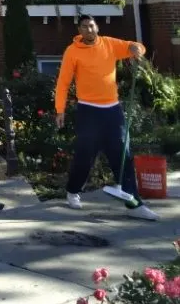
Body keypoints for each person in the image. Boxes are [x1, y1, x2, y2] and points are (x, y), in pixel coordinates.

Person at [54, 14, 158, 221]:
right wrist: (60, 110)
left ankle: (134, 203)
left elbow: (134, 46)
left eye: (91, 26)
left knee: (123, 154)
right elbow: (63, 82)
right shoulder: (72, 51)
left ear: (97, 27)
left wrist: (137, 48)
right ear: (79, 30)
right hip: (88, 110)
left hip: (112, 110)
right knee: (85, 154)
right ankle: (73, 191)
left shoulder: (110, 44)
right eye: (84, 27)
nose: (88, 30)